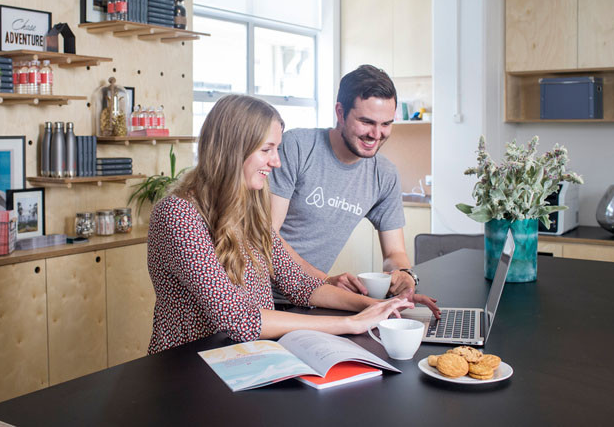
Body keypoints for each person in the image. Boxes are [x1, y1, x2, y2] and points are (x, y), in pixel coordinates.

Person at [147, 94, 414, 354]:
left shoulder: (248, 211)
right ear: (232, 150)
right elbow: (238, 318)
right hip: (187, 370)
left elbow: (300, 284)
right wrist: (351, 324)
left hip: (244, 360)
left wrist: (382, 307)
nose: (276, 161)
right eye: (267, 150)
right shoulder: (178, 214)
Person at [269, 65, 439, 315]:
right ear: (340, 112)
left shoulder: (384, 174)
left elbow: (394, 252)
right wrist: (325, 281)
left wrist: (403, 275)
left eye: (386, 124)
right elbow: (266, 237)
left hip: (313, 298)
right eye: (366, 122)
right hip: (263, 296)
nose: (376, 134)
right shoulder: (297, 147)